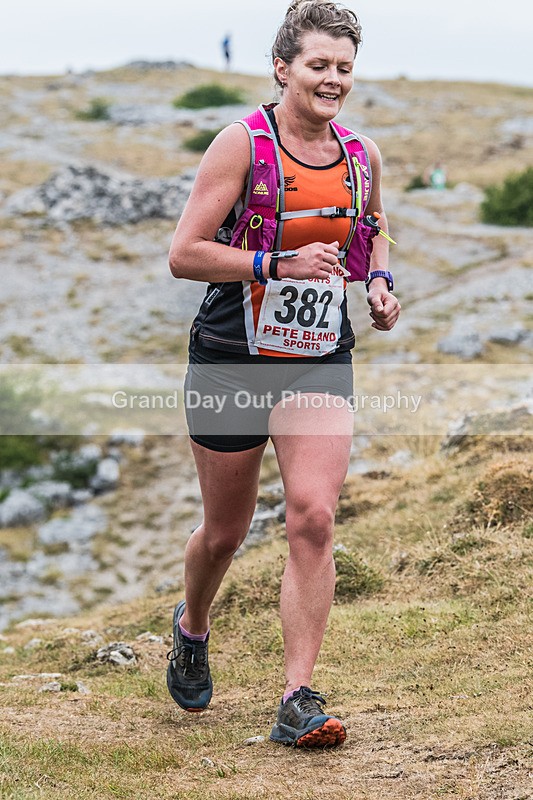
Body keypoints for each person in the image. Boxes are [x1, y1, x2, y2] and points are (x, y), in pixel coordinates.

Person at [167, 0, 400, 748]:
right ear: (282, 68)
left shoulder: (360, 155)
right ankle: (192, 625)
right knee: (225, 533)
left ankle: (297, 696)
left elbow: (371, 231)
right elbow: (185, 253)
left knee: (313, 515)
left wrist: (378, 284)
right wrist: (276, 263)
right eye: (318, 66)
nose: (333, 80)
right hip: (232, 357)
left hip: (316, 357)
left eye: (343, 68)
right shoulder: (241, 144)